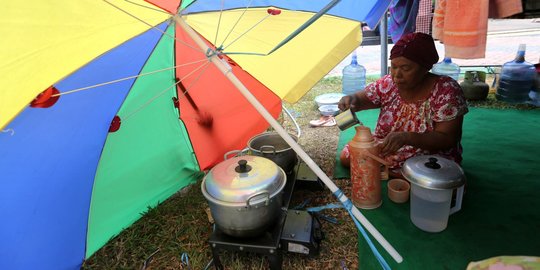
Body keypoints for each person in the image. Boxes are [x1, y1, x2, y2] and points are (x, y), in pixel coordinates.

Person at [338, 32, 468, 178]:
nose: (397, 75)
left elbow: (447, 138)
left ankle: (393, 172)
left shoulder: (446, 91)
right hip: (390, 146)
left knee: (429, 175)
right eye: (393, 67)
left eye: (406, 69)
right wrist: (351, 100)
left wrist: (408, 138)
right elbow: (361, 99)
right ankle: (394, 172)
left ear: (425, 68)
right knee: (348, 156)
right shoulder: (389, 83)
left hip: (429, 153)